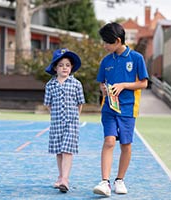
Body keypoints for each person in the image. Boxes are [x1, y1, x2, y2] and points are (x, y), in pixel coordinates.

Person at [93, 22, 149, 197]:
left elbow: (144, 83)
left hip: (128, 109)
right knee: (109, 141)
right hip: (109, 108)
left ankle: (119, 180)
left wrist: (124, 85)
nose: (104, 46)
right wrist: (103, 89)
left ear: (117, 40)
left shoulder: (137, 58)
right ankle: (105, 182)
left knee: (126, 144)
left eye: (107, 42)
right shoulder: (106, 60)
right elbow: (102, 82)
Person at [44, 48, 85, 193]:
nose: (64, 68)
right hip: (56, 123)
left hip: (71, 123)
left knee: (67, 150)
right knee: (59, 151)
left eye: (67, 65)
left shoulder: (76, 84)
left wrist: (74, 117)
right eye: (61, 65)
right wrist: (56, 115)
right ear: (55, 68)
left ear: (71, 67)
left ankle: (65, 180)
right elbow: (48, 104)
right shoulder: (50, 85)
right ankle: (60, 176)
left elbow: (80, 103)